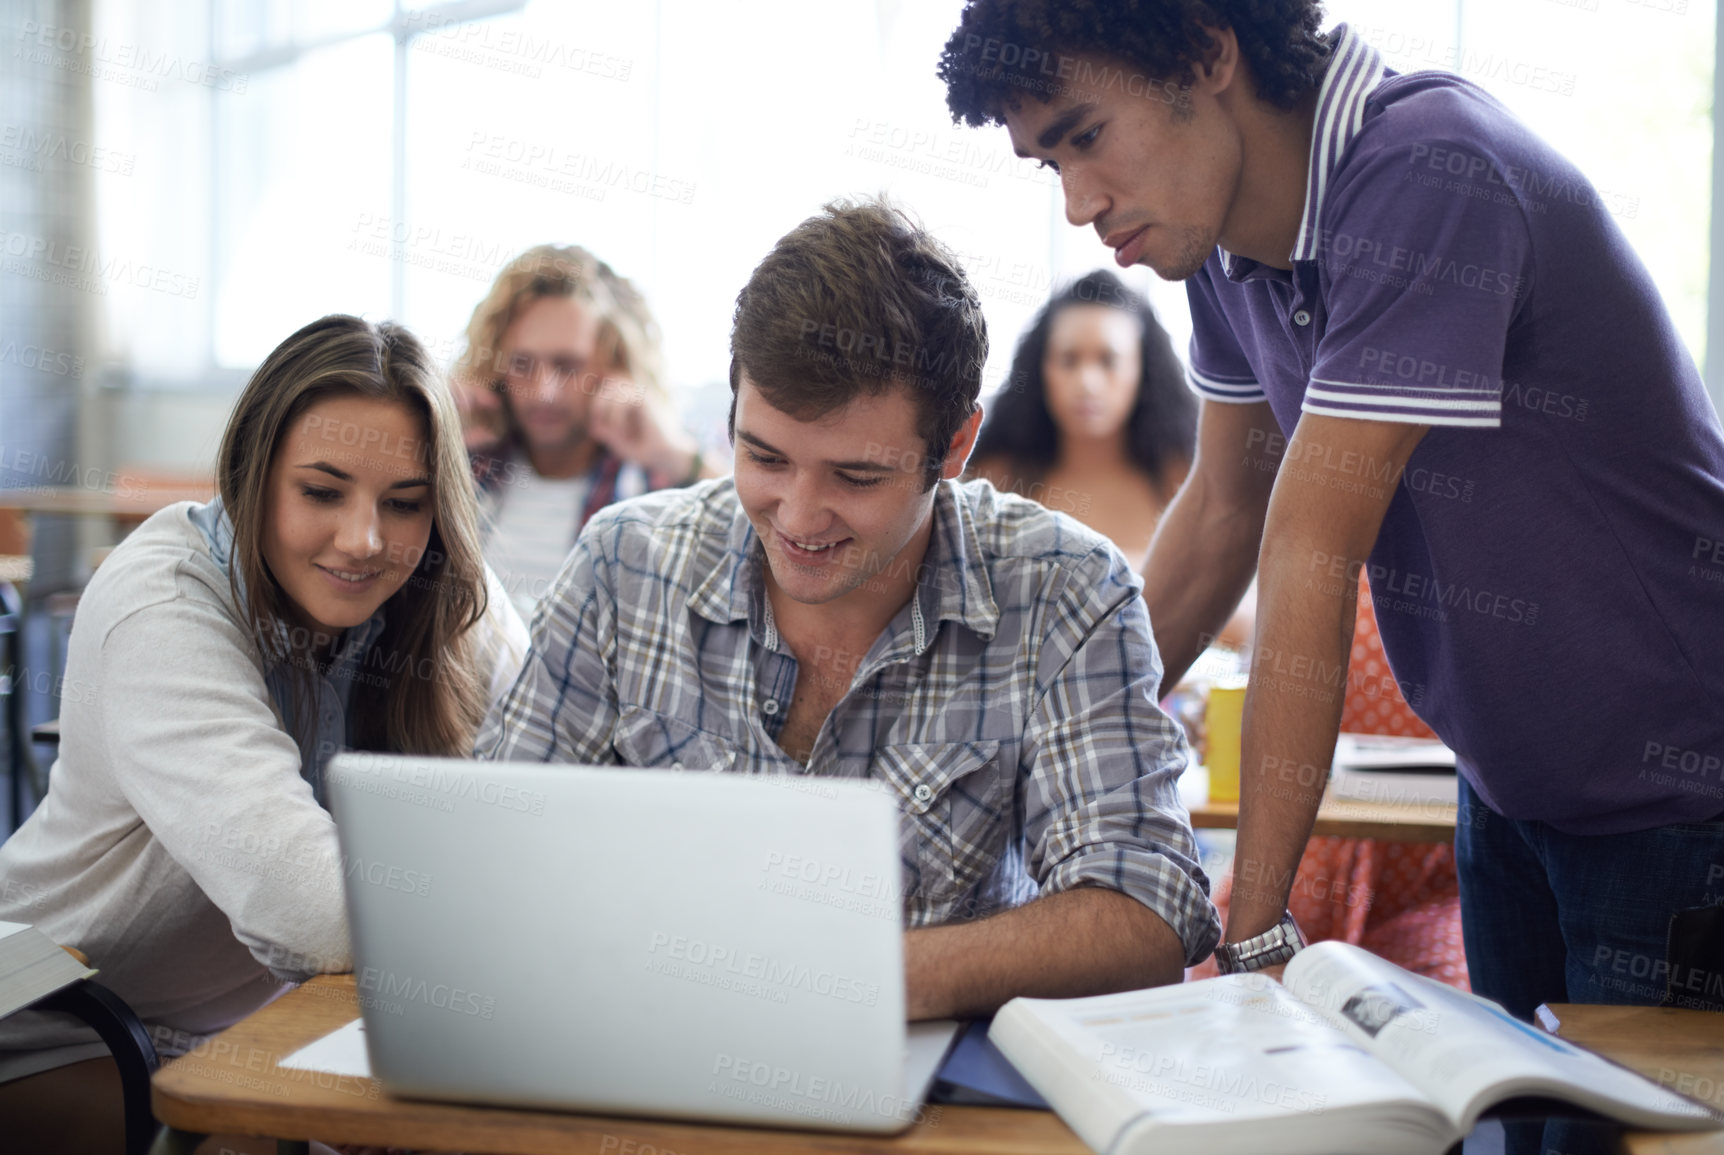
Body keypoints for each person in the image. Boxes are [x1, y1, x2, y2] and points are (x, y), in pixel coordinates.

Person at [939, 0, 1724, 1039]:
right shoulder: (1223, 244)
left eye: (1087, 136)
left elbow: (1309, 545)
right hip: (1507, 785)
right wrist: (1020, 773)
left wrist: (1256, 930)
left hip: (1676, 786)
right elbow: (1222, 513)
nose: (1082, 201)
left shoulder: (1428, 172)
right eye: (1050, 165)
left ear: (1209, 54)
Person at [478, 197, 1220, 1020]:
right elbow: (496, 852)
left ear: (956, 447)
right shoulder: (622, 563)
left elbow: (1148, 910)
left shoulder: (1064, 588)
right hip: (637, 1055)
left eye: (855, 477)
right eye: (764, 457)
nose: (797, 516)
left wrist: (838, 977)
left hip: (926, 1106)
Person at [0, 315, 528, 1152]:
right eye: (321, 492)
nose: (364, 539)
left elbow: (558, 790)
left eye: (404, 503)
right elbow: (314, 911)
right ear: (252, 476)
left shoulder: (439, 589)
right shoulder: (162, 599)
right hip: (60, 1017)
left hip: (266, 1021)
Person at [452, 244, 722, 619]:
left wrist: (674, 454)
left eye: (567, 366)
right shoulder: (467, 467)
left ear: (615, 363)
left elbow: (752, 532)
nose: (544, 392)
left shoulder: (651, 484)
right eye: (522, 364)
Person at [968, 268, 1195, 563]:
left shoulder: (1182, 478)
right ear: (1041, 368)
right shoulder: (995, 477)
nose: (1087, 382)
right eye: (1068, 360)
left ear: (1144, 371)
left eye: (1108, 360)